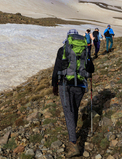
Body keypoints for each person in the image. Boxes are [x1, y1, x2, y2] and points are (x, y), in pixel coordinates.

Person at [52, 29, 94, 158]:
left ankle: (73, 143)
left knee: (68, 111)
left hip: (65, 84)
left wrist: (54, 84)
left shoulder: (62, 49)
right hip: (80, 85)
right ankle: (73, 133)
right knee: (74, 109)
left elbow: (57, 68)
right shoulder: (84, 49)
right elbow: (91, 68)